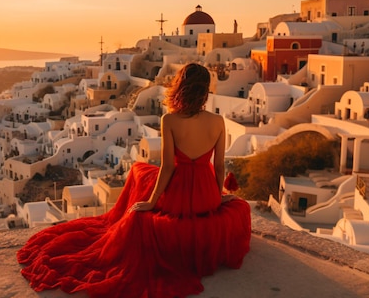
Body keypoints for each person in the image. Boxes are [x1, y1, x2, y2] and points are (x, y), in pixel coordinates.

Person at [17, 63, 251, 298]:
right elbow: (219, 166)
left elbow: (168, 167)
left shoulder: (170, 120)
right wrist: (218, 195)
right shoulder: (218, 121)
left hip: (176, 198)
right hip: (206, 197)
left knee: (140, 170)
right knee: (145, 171)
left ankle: (136, 204)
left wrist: (151, 202)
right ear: (205, 91)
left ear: (181, 87)